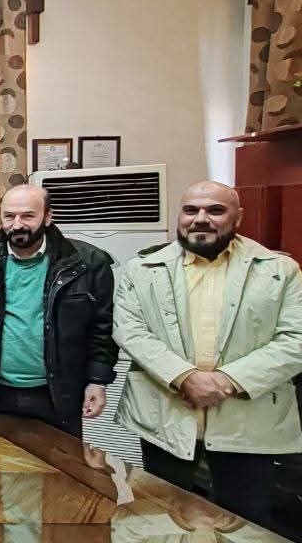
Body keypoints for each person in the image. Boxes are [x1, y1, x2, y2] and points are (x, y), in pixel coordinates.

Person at [115, 181, 302, 528]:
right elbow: (130, 331)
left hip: (247, 423)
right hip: (165, 418)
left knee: (246, 523)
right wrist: (185, 377)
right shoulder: (141, 270)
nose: (201, 219)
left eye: (215, 210)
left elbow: (296, 339)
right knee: (160, 519)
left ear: (238, 217)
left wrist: (228, 380)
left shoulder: (280, 271)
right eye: (191, 210)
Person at [0, 184, 117, 436]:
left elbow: (102, 328)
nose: (17, 225)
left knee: (59, 461)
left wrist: (97, 381)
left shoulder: (87, 263)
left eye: (28, 216)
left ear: (47, 216)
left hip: (59, 394)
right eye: (9, 216)